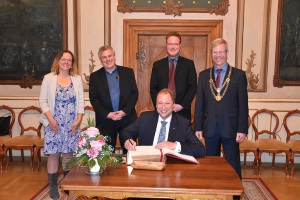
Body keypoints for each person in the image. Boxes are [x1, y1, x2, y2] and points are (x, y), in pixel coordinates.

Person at [194, 38, 248, 180]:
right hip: (210, 126)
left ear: (227, 53)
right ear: (211, 54)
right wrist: (198, 127)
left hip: (231, 126)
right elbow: (199, 102)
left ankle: (235, 194)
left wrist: (242, 128)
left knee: (232, 162)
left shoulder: (239, 75)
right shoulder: (204, 75)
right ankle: (213, 190)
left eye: (221, 52)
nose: (218, 55)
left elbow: (243, 104)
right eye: (215, 52)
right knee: (211, 162)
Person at [39, 50, 84, 199]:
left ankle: (66, 183)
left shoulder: (77, 79)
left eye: (69, 60)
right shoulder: (48, 78)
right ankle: (53, 186)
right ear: (58, 61)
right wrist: (51, 120)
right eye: (64, 59)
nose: (66, 62)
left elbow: (81, 103)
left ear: (72, 63)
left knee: (68, 154)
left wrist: (78, 121)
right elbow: (43, 101)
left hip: (71, 123)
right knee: (54, 154)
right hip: (54, 123)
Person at [121, 89, 205, 158]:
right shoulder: (145, 118)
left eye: (167, 103)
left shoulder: (183, 123)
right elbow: (126, 132)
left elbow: (200, 149)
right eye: (160, 103)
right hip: (147, 164)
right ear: (156, 105)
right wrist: (128, 141)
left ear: (173, 105)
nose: (163, 107)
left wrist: (175, 146)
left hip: (172, 167)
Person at [89, 45, 138, 153]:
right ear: (101, 60)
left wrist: (125, 111)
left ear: (114, 56)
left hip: (127, 119)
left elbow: (134, 93)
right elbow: (94, 98)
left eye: (109, 56)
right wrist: (107, 114)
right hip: (106, 121)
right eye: (104, 57)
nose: (108, 59)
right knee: (106, 153)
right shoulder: (95, 76)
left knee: (130, 151)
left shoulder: (128, 72)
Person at [150, 32, 197, 120]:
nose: (172, 47)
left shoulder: (189, 64)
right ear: (166, 45)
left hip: (182, 112)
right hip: (162, 112)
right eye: (170, 44)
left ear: (180, 45)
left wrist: (182, 105)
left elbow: (193, 87)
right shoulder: (157, 65)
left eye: (175, 44)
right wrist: (160, 106)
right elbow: (153, 88)